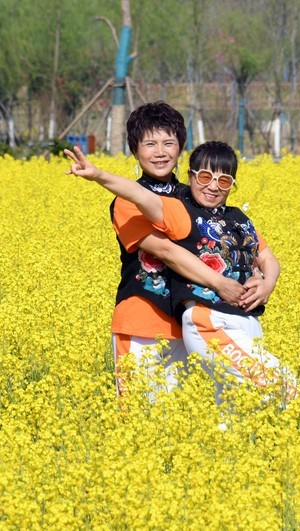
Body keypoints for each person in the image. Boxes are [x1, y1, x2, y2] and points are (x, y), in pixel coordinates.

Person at [66, 140, 300, 404]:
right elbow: (139, 195)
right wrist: (98, 175)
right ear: (191, 176)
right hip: (209, 320)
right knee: (279, 385)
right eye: (205, 177)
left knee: (237, 406)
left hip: (245, 320)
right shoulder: (182, 211)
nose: (213, 186)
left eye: (224, 181)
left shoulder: (237, 218)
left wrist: (267, 283)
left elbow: (267, 257)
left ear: (232, 185)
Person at [105, 103, 252, 397]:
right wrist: (221, 284)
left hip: (188, 327)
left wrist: (259, 276)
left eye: (168, 143)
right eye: (150, 144)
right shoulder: (128, 201)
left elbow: (232, 241)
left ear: (181, 148)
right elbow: (166, 252)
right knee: (137, 415)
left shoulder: (196, 194)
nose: (160, 152)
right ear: (135, 150)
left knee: (180, 414)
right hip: (141, 323)